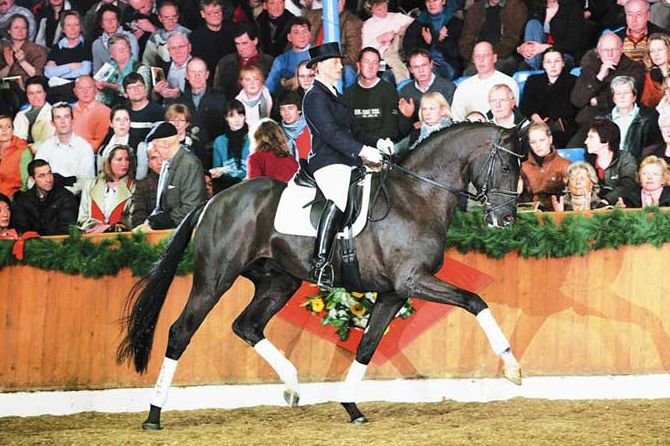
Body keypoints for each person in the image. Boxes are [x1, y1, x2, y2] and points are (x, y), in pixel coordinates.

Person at [302, 42, 383, 288]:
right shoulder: (314, 97)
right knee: (338, 197)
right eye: (335, 62)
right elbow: (330, 133)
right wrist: (362, 150)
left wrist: (378, 142)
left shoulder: (337, 95)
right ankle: (320, 263)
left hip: (348, 159)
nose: (340, 66)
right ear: (319, 66)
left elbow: (354, 129)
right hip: (328, 161)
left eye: (340, 61)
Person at [569, 32, 645, 138]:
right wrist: (599, 78)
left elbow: (628, 98)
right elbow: (577, 101)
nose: (610, 54)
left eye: (614, 49)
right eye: (605, 50)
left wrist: (597, 101)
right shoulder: (590, 67)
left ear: (621, 49)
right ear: (599, 52)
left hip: (619, 121)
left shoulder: (634, 68)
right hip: (589, 122)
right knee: (573, 145)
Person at [141, 121, 207, 229]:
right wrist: (149, 222)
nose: (156, 153)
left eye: (156, 148)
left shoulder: (190, 164)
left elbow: (191, 208)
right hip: (169, 230)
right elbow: (160, 207)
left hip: (186, 232)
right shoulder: (166, 164)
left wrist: (155, 224)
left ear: (166, 144)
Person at [520, 47, 578, 148]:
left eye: (557, 61)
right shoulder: (533, 81)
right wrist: (537, 119)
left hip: (564, 128)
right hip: (537, 125)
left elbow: (571, 108)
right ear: (543, 64)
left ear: (563, 63)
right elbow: (526, 106)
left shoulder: (573, 81)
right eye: (548, 62)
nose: (553, 65)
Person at [35, 101, 95, 196]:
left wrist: (63, 195)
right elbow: (36, 175)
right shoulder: (45, 147)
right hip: (48, 195)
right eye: (58, 117)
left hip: (74, 196)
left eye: (66, 117)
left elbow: (86, 182)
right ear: (52, 123)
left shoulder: (84, 147)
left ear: (72, 121)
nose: (63, 121)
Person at [167, 57, 227, 153]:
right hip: (186, 152)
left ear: (207, 75)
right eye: (193, 72)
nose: (197, 76)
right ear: (187, 75)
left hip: (213, 152)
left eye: (200, 72)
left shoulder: (220, 99)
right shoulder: (179, 102)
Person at [595, 75, 661, 161]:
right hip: (608, 162)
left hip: (638, 162)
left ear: (634, 97)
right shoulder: (602, 119)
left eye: (626, 93)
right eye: (618, 93)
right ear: (613, 98)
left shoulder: (649, 117)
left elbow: (654, 146)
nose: (622, 97)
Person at [517, 0, 595, 71]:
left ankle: (530, 68)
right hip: (537, 55)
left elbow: (573, 44)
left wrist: (545, 47)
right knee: (533, 23)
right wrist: (520, 48)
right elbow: (525, 35)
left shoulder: (572, 7)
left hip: (562, 52)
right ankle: (531, 65)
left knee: (558, 61)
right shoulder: (536, 7)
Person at [450, 41, 518, 121]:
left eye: (485, 55)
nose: (481, 60)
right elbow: (457, 117)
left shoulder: (508, 83)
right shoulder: (464, 86)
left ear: (494, 58)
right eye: (477, 56)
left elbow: (513, 115)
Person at [344, 47, 401, 143]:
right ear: (359, 65)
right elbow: (349, 127)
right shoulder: (349, 93)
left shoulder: (388, 90)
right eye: (366, 62)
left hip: (382, 144)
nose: (371, 67)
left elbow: (391, 129)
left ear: (378, 66)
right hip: (358, 146)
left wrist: (372, 144)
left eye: (375, 63)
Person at [458, 0, 528, 75]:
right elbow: (466, 40)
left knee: (477, 74)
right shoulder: (475, 9)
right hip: (478, 56)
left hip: (505, 56)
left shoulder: (516, 7)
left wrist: (489, 54)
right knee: (469, 75)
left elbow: (511, 40)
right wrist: (473, 55)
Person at [11, 159, 78, 235]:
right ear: (32, 179)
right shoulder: (23, 200)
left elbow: (66, 229)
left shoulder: (66, 197)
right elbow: (21, 229)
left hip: (58, 241)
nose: (48, 179)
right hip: (32, 241)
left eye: (49, 173)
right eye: (42, 176)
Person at [78, 144, 136, 233]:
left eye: (127, 159)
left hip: (122, 236)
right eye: (119, 159)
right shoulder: (90, 185)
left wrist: (109, 228)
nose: (124, 163)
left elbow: (135, 219)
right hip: (92, 235)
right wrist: (96, 227)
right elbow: (82, 218)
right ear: (108, 162)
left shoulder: (134, 186)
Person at [403, 0, 464, 80]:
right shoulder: (419, 23)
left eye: (435, 0)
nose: (431, 4)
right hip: (423, 64)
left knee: (431, 75)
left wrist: (437, 42)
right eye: (428, 1)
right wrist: (427, 44)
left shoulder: (454, 23)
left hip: (447, 64)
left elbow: (456, 53)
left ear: (443, 2)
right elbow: (409, 49)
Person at [398, 48, 456, 132]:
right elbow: (403, 130)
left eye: (424, 65)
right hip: (415, 135)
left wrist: (426, 124)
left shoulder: (448, 88)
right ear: (410, 70)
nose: (421, 70)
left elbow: (453, 120)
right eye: (416, 67)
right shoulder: (405, 91)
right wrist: (407, 117)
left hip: (443, 134)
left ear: (431, 64)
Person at [212, 22, 274, 99]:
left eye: (245, 43)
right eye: (237, 44)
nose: (241, 48)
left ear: (255, 41)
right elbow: (217, 91)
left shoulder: (269, 63)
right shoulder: (226, 62)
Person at [584, 118, 638, 206]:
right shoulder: (588, 160)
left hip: (625, 205)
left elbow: (628, 185)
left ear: (605, 141)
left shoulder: (625, 159)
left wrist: (606, 200)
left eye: (591, 137)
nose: (586, 142)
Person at [518, 121, 570, 211]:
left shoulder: (565, 165)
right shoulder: (523, 168)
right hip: (532, 214)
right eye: (533, 142)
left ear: (550, 139)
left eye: (542, 140)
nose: (538, 145)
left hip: (557, 213)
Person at [43, 10, 92, 103]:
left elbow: (84, 72)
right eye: (68, 25)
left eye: (76, 25)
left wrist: (58, 72)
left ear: (80, 27)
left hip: (78, 91)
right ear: (63, 29)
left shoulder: (87, 46)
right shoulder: (57, 47)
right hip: (57, 92)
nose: (72, 29)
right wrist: (70, 66)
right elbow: (48, 73)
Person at [362, 0, 413, 83]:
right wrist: (379, 40)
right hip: (380, 59)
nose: (383, 11)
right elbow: (364, 50)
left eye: (385, 7)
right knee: (384, 75)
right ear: (371, 9)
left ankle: (403, 85)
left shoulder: (397, 17)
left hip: (398, 55)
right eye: (379, 9)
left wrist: (405, 28)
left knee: (393, 72)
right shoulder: (366, 26)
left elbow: (415, 24)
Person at [94, 33, 150, 107]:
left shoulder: (141, 68)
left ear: (130, 49)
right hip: (111, 108)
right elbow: (98, 98)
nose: (122, 50)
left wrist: (113, 86)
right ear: (111, 55)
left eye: (125, 47)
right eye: (117, 49)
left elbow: (144, 93)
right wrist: (100, 90)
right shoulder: (107, 69)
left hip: (135, 108)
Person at [265, 17, 312, 94]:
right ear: (289, 37)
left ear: (310, 35)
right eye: (296, 32)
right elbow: (269, 88)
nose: (301, 36)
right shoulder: (281, 60)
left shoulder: (319, 55)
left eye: (305, 32)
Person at [211, 99, 250, 190]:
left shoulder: (254, 138)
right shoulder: (219, 141)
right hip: (227, 187)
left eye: (240, 115)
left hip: (250, 187)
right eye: (232, 116)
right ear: (226, 118)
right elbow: (216, 170)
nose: (237, 120)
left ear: (245, 117)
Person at [97, 104, 145, 178]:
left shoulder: (139, 146)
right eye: (118, 119)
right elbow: (99, 175)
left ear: (130, 123)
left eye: (126, 119)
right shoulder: (103, 148)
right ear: (111, 123)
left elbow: (141, 177)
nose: (122, 123)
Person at [189, 0, 235, 76]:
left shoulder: (233, 29)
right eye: (210, 13)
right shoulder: (196, 37)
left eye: (217, 12)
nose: (215, 15)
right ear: (202, 14)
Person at [90, 4, 140, 75]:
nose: (110, 23)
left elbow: (134, 63)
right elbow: (97, 71)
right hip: (108, 79)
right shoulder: (97, 44)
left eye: (113, 19)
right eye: (106, 20)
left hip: (129, 77)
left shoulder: (130, 38)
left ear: (118, 21)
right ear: (101, 24)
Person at [613, 0, 665, 65]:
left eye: (639, 15)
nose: (634, 20)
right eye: (630, 14)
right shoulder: (615, 38)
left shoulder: (663, 36)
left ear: (648, 15)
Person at [0, 14, 48, 84]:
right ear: (9, 30)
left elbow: (38, 77)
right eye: (16, 27)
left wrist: (22, 62)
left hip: (29, 87)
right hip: (7, 88)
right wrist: (9, 66)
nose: (20, 31)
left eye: (24, 28)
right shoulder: (4, 49)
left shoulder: (37, 50)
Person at [141, 0, 190, 67]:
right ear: (160, 18)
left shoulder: (188, 35)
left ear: (178, 16)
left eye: (174, 17)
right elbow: (147, 62)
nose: (170, 21)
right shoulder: (155, 37)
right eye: (166, 17)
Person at [13, 76, 54, 153]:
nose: (35, 97)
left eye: (38, 92)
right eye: (31, 93)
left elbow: (47, 141)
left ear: (45, 93)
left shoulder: (53, 113)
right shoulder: (20, 115)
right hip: (21, 153)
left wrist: (28, 150)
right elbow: (16, 140)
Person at [72, 75, 111, 152]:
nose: (85, 91)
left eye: (89, 88)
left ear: (95, 89)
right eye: (81, 88)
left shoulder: (105, 112)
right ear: (75, 91)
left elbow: (97, 143)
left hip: (87, 154)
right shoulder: (68, 110)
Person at [152, 31, 191, 103]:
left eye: (181, 46)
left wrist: (179, 97)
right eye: (173, 48)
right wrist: (155, 92)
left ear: (189, 47)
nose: (177, 51)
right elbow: (154, 100)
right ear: (169, 51)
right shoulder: (162, 68)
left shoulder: (199, 67)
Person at [124, 72, 163, 141]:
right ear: (125, 93)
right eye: (131, 87)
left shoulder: (158, 112)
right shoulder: (123, 112)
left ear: (145, 89)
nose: (136, 90)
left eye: (139, 86)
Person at [165, 103, 207, 168]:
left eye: (181, 121)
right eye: (173, 120)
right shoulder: (160, 143)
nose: (177, 124)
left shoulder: (196, 144)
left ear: (187, 124)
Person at [0, 114, 32, 198]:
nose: (4, 130)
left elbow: (25, 185)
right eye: (0, 127)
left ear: (13, 130)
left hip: (13, 199)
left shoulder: (23, 151)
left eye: (8, 126)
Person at [131, 144, 161, 227]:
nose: (159, 162)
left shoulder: (181, 180)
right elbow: (138, 215)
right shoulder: (142, 186)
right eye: (154, 158)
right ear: (149, 163)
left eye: (162, 156)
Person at [277, 90, 311, 160]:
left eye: (290, 108)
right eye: (283, 109)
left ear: (299, 110)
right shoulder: (276, 131)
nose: (286, 113)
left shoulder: (310, 127)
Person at [640, 33, 670, 109]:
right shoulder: (649, 77)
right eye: (652, 51)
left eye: (660, 50)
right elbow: (646, 104)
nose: (656, 54)